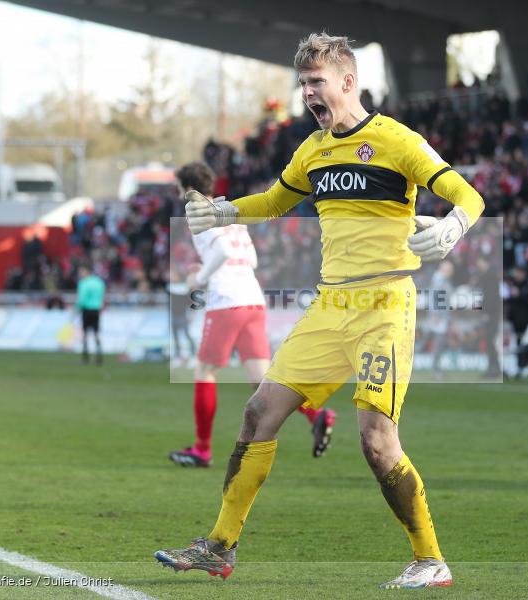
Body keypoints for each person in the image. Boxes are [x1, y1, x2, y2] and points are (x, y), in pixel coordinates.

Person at [155, 32, 484, 589]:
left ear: (347, 82)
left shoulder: (396, 140)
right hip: (331, 307)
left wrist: (453, 226)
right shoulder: (311, 150)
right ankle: (219, 546)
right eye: (303, 83)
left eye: (317, 82)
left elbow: (468, 196)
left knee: (377, 441)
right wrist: (224, 211)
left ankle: (431, 559)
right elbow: (275, 201)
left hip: (384, 304)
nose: (308, 92)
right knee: (259, 413)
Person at [167, 162, 336, 468]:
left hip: (226, 302)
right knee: (261, 379)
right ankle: (316, 414)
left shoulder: (199, 215)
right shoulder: (231, 214)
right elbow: (250, 257)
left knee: (204, 372)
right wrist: (206, 267)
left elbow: (222, 254)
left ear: (187, 189)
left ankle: (202, 450)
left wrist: (199, 277)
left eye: (179, 188)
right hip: (252, 300)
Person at [76, 265, 105, 365]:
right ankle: (99, 354)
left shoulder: (83, 283)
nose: (80, 274)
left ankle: (85, 356)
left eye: (81, 272)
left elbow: (82, 298)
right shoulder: (99, 282)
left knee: (85, 333)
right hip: (97, 309)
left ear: (86, 272)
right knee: (96, 332)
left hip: (86, 309)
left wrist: (77, 309)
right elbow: (102, 296)